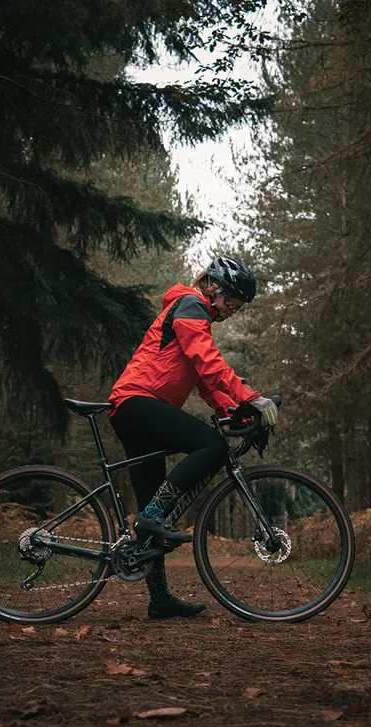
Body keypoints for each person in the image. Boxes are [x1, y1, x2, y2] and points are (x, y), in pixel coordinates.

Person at [108, 255, 280, 620]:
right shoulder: (190, 304)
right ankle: (151, 515)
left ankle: (159, 599)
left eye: (238, 307)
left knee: (156, 506)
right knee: (211, 446)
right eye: (232, 301)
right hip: (137, 403)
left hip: (141, 410)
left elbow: (206, 383)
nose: (232, 310)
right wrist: (251, 397)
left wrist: (235, 414)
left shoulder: (194, 316)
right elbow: (208, 362)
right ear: (214, 287)